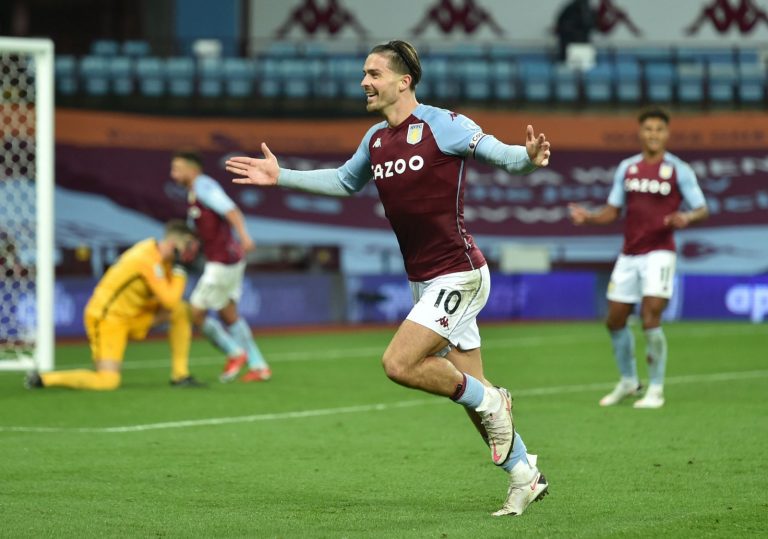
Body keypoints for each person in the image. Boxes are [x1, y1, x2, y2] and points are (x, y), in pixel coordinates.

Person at [225, 40, 551, 517]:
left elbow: (502, 155)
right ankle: (524, 475)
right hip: (425, 281)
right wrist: (282, 177)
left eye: (374, 73)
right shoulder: (376, 139)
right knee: (472, 398)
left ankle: (497, 400)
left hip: (459, 273)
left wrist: (528, 157)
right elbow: (344, 181)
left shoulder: (444, 124)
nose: (364, 81)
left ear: (404, 81)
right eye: (364, 73)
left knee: (399, 364)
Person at [569, 107, 709, 409]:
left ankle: (656, 388)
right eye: (648, 129)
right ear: (641, 132)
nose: (653, 134)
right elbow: (613, 210)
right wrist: (589, 217)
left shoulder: (678, 169)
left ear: (666, 134)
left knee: (650, 315)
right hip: (630, 253)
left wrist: (687, 217)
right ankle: (629, 380)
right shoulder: (628, 168)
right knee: (615, 318)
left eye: (659, 129)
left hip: (660, 252)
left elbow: (702, 207)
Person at [24, 220, 205, 391]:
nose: (191, 253)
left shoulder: (162, 259)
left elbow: (168, 299)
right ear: (175, 245)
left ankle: (180, 375)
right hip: (107, 318)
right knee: (108, 381)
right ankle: (45, 378)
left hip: (134, 316)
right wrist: (181, 270)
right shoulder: (147, 259)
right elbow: (169, 299)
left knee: (181, 310)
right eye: (188, 247)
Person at [170, 151, 271, 383]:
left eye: (177, 168)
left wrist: (245, 236)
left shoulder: (203, 186)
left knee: (194, 312)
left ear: (192, 169)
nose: (173, 173)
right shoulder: (195, 191)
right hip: (227, 259)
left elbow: (231, 210)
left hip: (222, 261)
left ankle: (235, 353)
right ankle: (259, 365)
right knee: (229, 314)